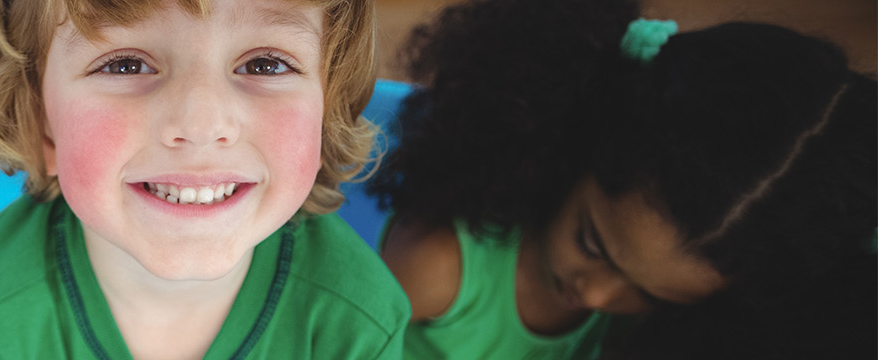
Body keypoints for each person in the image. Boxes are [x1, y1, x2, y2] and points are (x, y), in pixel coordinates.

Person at [369, 0, 877, 358]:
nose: (596, 298)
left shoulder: (655, 327)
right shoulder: (439, 266)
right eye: (592, 244)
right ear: (581, 145)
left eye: (654, 295)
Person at [0, 0, 410, 358]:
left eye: (265, 64)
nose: (201, 124)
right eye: (125, 64)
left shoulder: (357, 320)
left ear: (324, 114)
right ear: (41, 120)